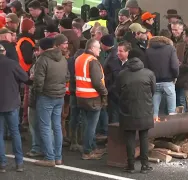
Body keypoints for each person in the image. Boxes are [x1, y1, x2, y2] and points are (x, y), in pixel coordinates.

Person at [116, 56, 156, 174]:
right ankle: (145, 165)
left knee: (130, 137)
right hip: (145, 109)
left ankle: (131, 165)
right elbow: (153, 91)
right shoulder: (149, 73)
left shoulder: (122, 74)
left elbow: (117, 90)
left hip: (127, 109)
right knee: (144, 137)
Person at [33, 38, 69, 167]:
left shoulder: (42, 60)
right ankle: (58, 157)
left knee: (45, 127)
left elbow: (38, 81)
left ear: (42, 48)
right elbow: (67, 76)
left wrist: (39, 92)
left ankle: (50, 157)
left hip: (46, 96)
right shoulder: (63, 58)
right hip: (60, 96)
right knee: (57, 126)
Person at [75, 39, 108, 160]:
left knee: (86, 124)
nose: (99, 50)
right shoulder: (93, 61)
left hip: (81, 97)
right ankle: (88, 151)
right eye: (98, 47)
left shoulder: (79, 58)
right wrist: (105, 92)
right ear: (92, 48)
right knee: (91, 126)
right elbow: (97, 82)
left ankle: (92, 147)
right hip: (92, 98)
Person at [0, 44, 28, 173]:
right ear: (4, 52)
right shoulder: (12, 64)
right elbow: (25, 78)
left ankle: (2, 164)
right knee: (15, 132)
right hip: (11, 103)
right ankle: (19, 163)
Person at [145, 36, 179, 119]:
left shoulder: (148, 51)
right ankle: (172, 130)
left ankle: (155, 129)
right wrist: (175, 76)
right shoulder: (170, 49)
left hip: (154, 83)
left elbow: (146, 67)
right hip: (168, 82)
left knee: (154, 112)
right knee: (172, 111)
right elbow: (174, 66)